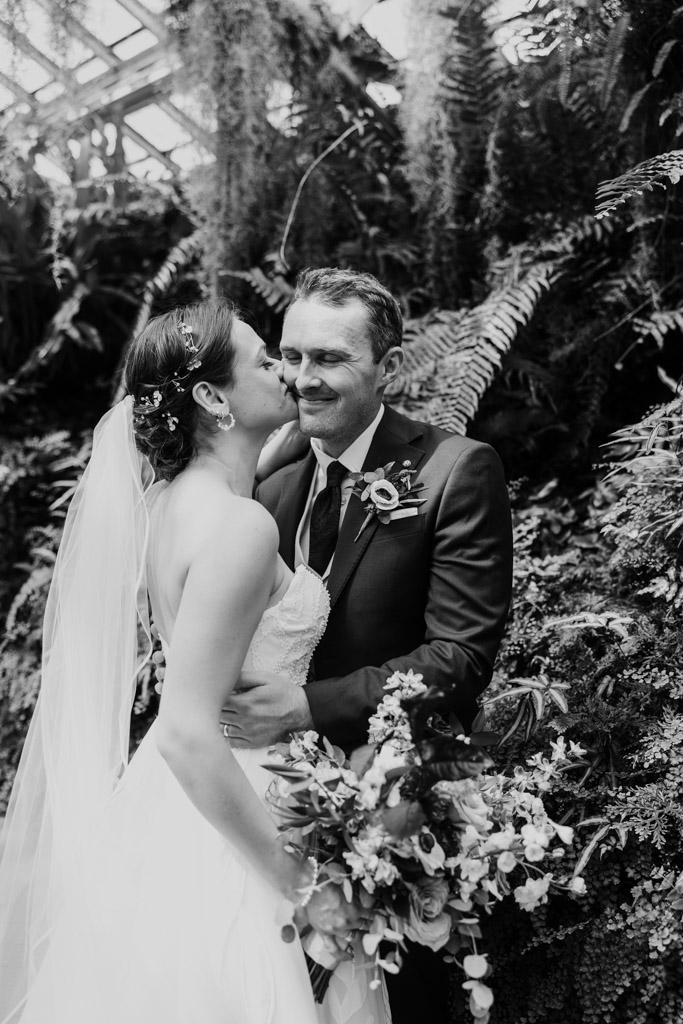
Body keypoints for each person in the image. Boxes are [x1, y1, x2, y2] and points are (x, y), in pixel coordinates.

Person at [0, 301, 387, 1024]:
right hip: (238, 808)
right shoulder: (238, 526)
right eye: (261, 359)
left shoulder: (171, 502)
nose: (285, 370)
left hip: (168, 812)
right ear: (211, 397)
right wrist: (306, 885)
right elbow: (184, 729)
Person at [224, 268, 514, 1024]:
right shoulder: (273, 488)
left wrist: (304, 708)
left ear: (385, 366)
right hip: (273, 823)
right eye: (289, 357)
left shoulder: (455, 471)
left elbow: (459, 656)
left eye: (329, 359)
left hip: (392, 814)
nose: (301, 379)